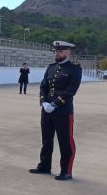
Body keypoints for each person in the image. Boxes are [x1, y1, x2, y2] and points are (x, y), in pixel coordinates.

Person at [30, 41, 82, 181]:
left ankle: (66, 171)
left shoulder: (74, 69)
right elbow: (43, 86)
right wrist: (44, 102)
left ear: (68, 52)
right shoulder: (51, 67)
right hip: (47, 110)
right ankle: (44, 166)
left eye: (60, 51)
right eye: (55, 51)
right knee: (46, 139)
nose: (56, 53)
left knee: (65, 141)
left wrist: (54, 104)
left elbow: (71, 90)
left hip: (63, 111)